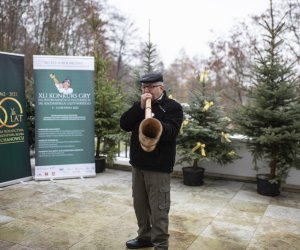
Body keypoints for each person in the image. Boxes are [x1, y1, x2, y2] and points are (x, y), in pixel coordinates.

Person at [120, 72, 183, 250]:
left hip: (158, 167)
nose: (147, 90)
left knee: (159, 208)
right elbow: (124, 124)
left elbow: (171, 131)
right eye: (144, 87)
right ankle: (144, 237)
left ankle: (161, 244)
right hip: (138, 164)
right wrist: (140, 108)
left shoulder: (172, 107)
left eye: (151, 87)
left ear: (161, 88)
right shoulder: (138, 106)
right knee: (140, 205)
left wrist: (154, 122)